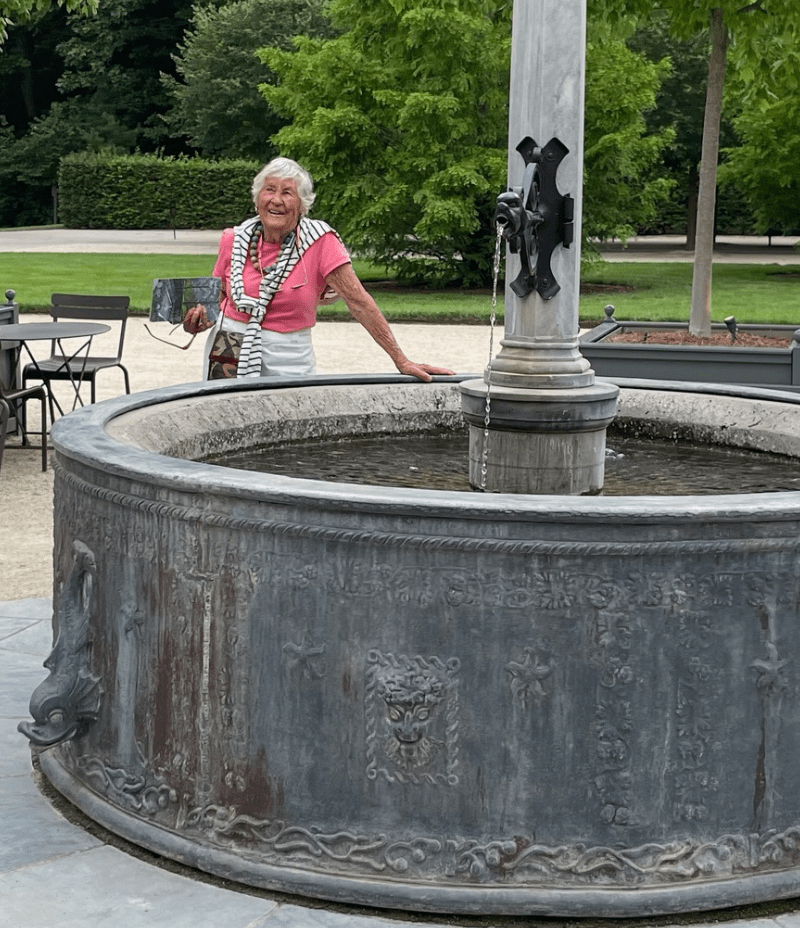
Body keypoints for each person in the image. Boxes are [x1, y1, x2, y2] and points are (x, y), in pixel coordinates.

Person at [184, 157, 454, 382]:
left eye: (287, 192)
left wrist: (401, 359)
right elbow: (217, 300)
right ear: (257, 200)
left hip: (289, 354)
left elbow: (359, 302)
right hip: (228, 344)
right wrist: (198, 321)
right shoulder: (234, 238)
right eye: (270, 190)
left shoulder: (321, 242)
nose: (276, 200)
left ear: (301, 205)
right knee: (225, 422)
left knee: (288, 430)